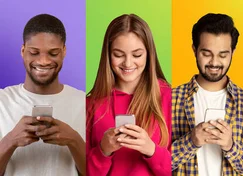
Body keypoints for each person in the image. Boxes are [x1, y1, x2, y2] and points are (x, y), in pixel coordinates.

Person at [171, 13, 243, 176]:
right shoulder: (171, 99)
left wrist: (231, 147)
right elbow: (156, 163)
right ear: (194, 50)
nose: (214, 62)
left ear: (233, 52)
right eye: (206, 53)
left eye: (223, 55)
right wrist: (191, 141)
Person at [86, 14, 172, 176]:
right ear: (108, 54)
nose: (128, 63)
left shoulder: (169, 97)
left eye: (137, 55)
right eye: (118, 55)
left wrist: (151, 150)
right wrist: (103, 151)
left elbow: (182, 168)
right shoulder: (90, 104)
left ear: (149, 54)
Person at [0, 14, 86, 176]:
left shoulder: (84, 103)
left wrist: (74, 140)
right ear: (23, 50)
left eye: (53, 53)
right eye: (34, 52)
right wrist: (10, 141)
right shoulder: (2, 102)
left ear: (64, 51)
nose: (44, 61)